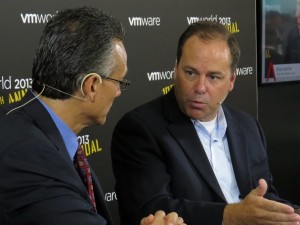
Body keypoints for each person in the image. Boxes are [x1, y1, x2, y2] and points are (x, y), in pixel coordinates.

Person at [0, 7, 185, 225]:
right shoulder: (30, 157)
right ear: (92, 85)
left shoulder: (30, 129)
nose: (118, 92)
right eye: (119, 82)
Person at [111, 21, 300, 225]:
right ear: (175, 69)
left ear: (232, 81)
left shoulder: (248, 127)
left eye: (213, 77)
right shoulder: (140, 129)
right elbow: (152, 208)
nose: (200, 87)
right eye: (190, 73)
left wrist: (291, 216)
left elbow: (265, 199)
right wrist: (232, 216)